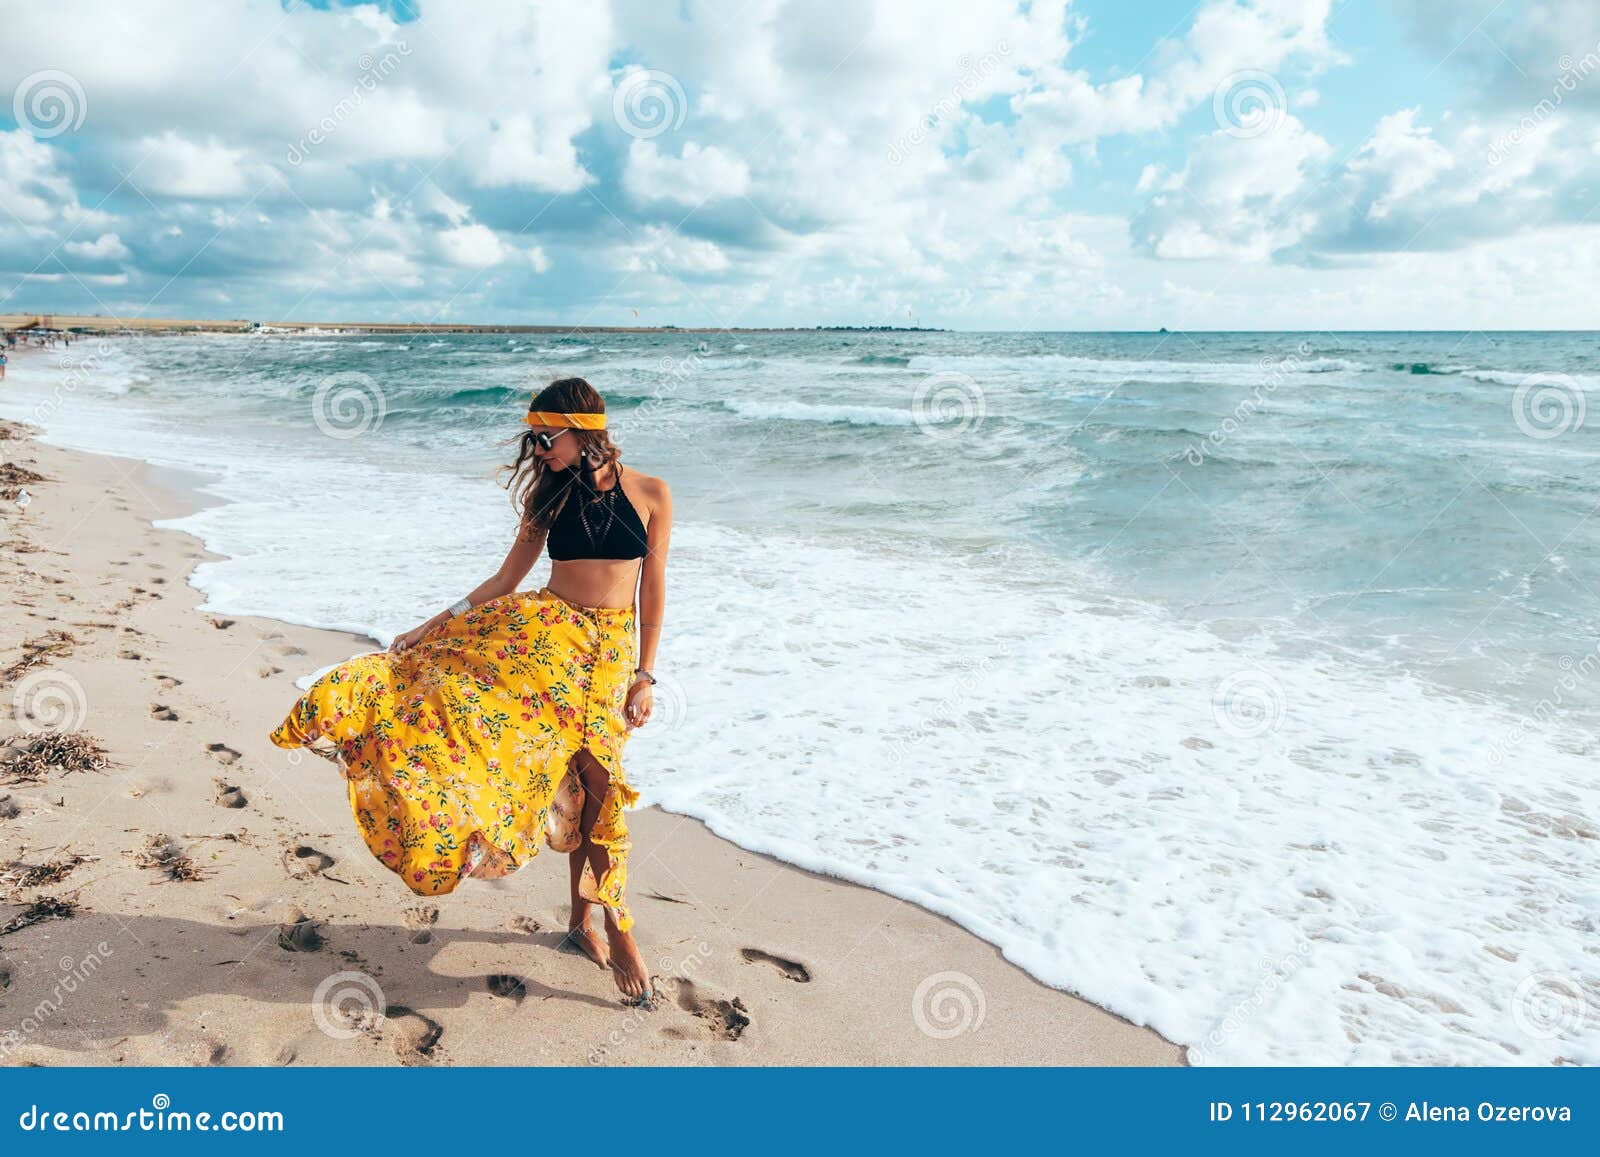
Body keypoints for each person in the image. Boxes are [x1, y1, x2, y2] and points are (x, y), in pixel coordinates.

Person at [268, 376, 673, 1002]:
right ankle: (612, 927)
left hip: (614, 655)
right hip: (546, 646)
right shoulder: (550, 499)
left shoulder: (652, 493)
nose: (539, 451)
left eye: (548, 438)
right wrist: (438, 620)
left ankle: (587, 922)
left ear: (585, 430)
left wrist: (646, 675)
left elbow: (653, 591)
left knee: (597, 786)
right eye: (534, 440)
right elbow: (508, 578)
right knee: (568, 775)